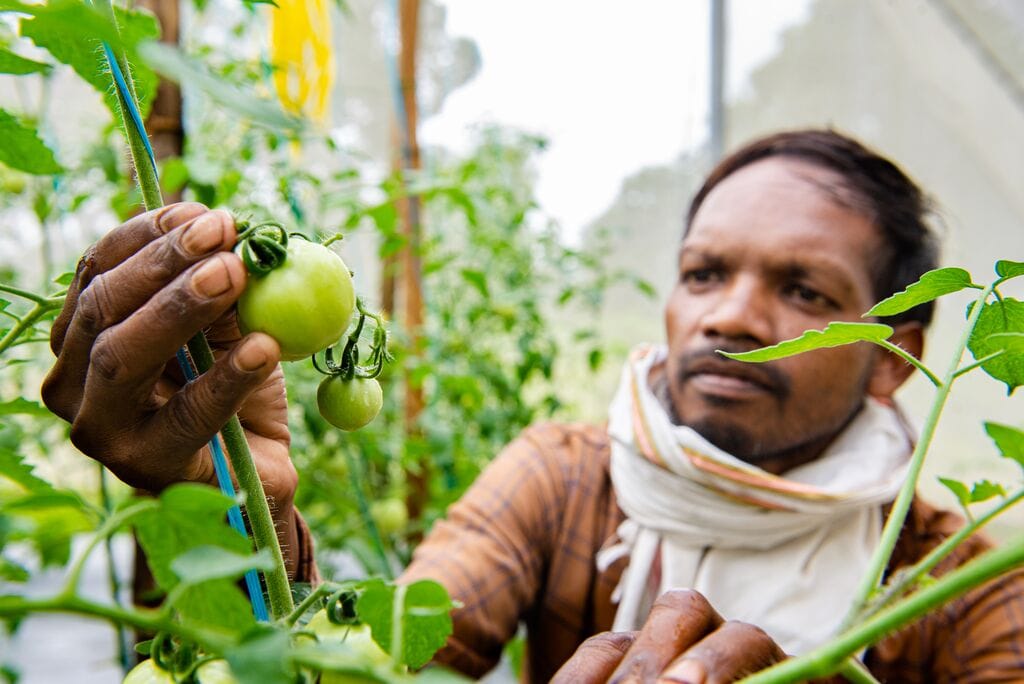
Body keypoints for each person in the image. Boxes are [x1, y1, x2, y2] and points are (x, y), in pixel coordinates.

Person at [41, 129, 1024, 683]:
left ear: (896, 356)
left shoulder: (962, 589)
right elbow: (387, 656)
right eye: (703, 272)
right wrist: (245, 520)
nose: (731, 316)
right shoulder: (566, 475)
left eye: (804, 293)